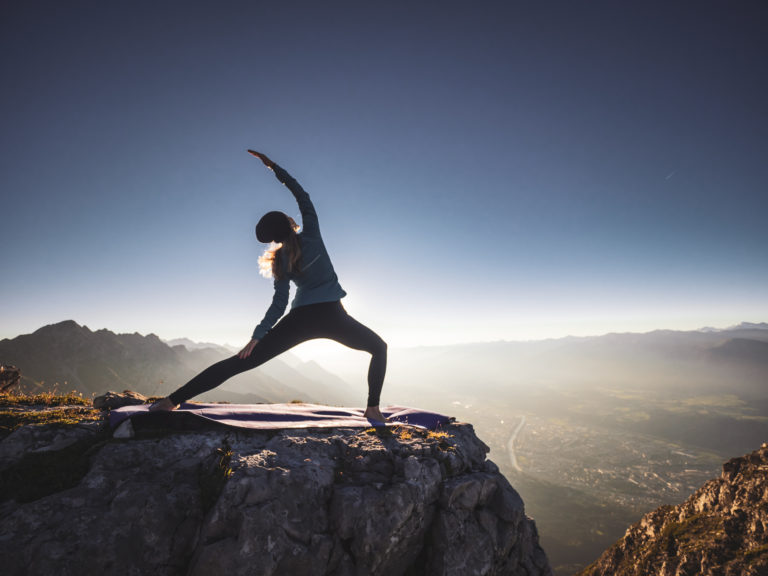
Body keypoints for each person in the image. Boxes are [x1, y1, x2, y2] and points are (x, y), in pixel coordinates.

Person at [149, 151, 388, 422]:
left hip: (300, 320)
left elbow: (279, 304)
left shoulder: (280, 260)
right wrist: (274, 167)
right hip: (334, 316)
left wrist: (257, 337)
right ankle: (373, 409)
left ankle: (170, 401)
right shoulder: (311, 234)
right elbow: (303, 196)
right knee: (379, 348)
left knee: (239, 363)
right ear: (289, 222)